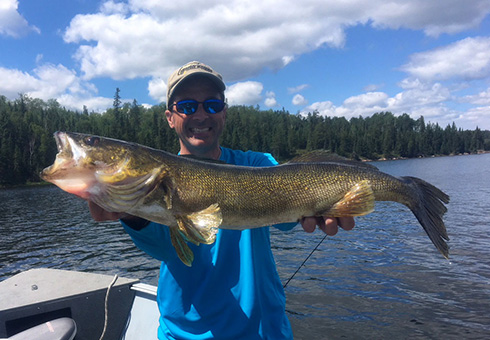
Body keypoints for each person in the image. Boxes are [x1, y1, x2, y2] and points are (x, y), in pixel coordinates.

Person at [88, 61, 355, 339]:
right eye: (188, 106)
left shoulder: (257, 163)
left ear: (224, 113)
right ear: (170, 117)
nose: (201, 115)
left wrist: (327, 203)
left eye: (212, 105)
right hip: (184, 334)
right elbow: (165, 248)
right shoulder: (156, 180)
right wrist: (130, 213)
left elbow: (288, 217)